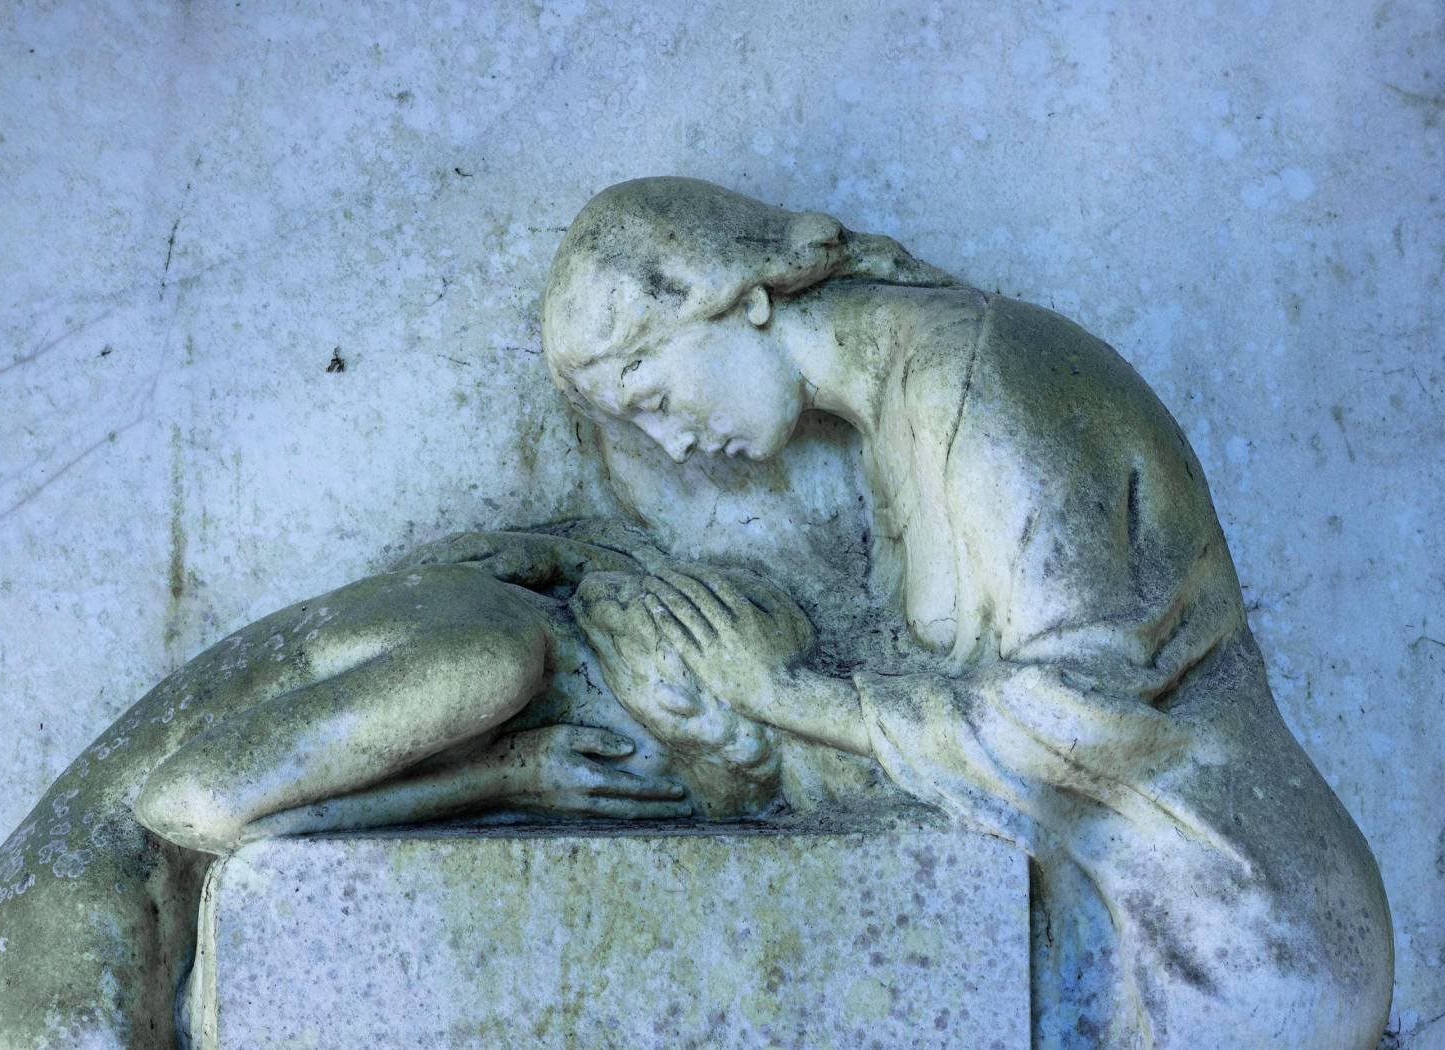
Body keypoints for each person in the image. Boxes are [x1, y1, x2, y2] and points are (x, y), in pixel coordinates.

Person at [538, 177, 1394, 1049]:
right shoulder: (900, 409)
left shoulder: (983, 384)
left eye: (653, 399)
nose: (674, 444)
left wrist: (784, 693)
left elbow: (1088, 716)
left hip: (1227, 932)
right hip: (1126, 915)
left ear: (747, 300)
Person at [0, 524, 801, 1050]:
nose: (660, 771)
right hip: (47, 991)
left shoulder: (482, 613)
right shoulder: (490, 657)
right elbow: (191, 804)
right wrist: (507, 776)